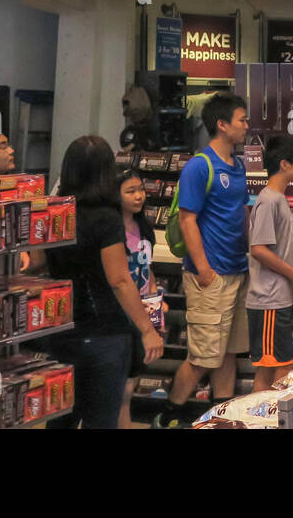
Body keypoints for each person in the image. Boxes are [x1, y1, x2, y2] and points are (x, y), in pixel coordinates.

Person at [40, 136, 162, 429]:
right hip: (104, 332)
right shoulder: (106, 219)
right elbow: (120, 279)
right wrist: (147, 329)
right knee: (101, 420)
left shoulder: (52, 210)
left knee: (60, 419)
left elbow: (36, 263)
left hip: (59, 329)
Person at [152, 94, 251, 428]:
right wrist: (205, 270)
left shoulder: (238, 166)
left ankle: (221, 415)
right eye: (241, 119)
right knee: (202, 357)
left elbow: (240, 213)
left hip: (238, 271)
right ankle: (169, 415)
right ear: (222, 125)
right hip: (211, 275)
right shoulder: (200, 165)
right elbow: (187, 220)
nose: (246, 125)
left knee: (227, 354)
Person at [247, 134, 293, 391]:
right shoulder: (269, 200)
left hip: (277, 300)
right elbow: (259, 249)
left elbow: (274, 251)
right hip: (268, 301)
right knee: (277, 370)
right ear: (284, 164)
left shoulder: (277, 199)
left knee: (278, 367)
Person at [118, 164, 165, 427]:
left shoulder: (143, 228)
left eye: (141, 190)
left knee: (129, 389)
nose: (139, 196)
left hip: (143, 317)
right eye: (130, 191)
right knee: (120, 391)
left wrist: (155, 318)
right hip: (121, 316)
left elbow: (148, 272)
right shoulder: (110, 231)